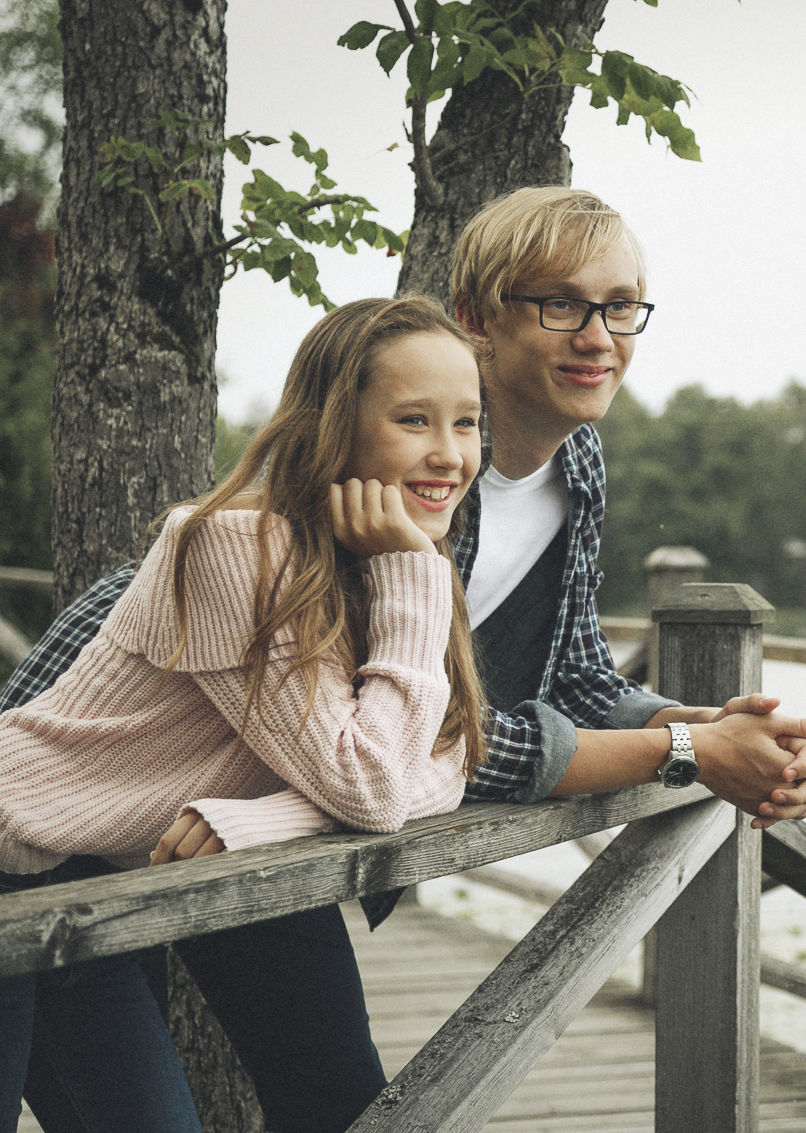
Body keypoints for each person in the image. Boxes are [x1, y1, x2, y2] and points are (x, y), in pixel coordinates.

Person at [3, 187, 806, 1132]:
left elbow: (565, 677)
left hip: (259, 791)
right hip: (85, 804)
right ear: (477, 321)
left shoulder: (577, 467)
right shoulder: (388, 494)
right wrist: (685, 758)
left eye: (620, 306)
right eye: (560, 303)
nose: (598, 334)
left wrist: (706, 725)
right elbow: (437, 743)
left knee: (340, 1103)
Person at [0, 295, 489, 1132]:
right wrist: (419, 577)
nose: (449, 454)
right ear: (333, 427)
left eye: (467, 422)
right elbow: (375, 787)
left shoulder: (375, 568)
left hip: (99, 885)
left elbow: (449, 761)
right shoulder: (233, 547)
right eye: (415, 420)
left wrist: (270, 818)